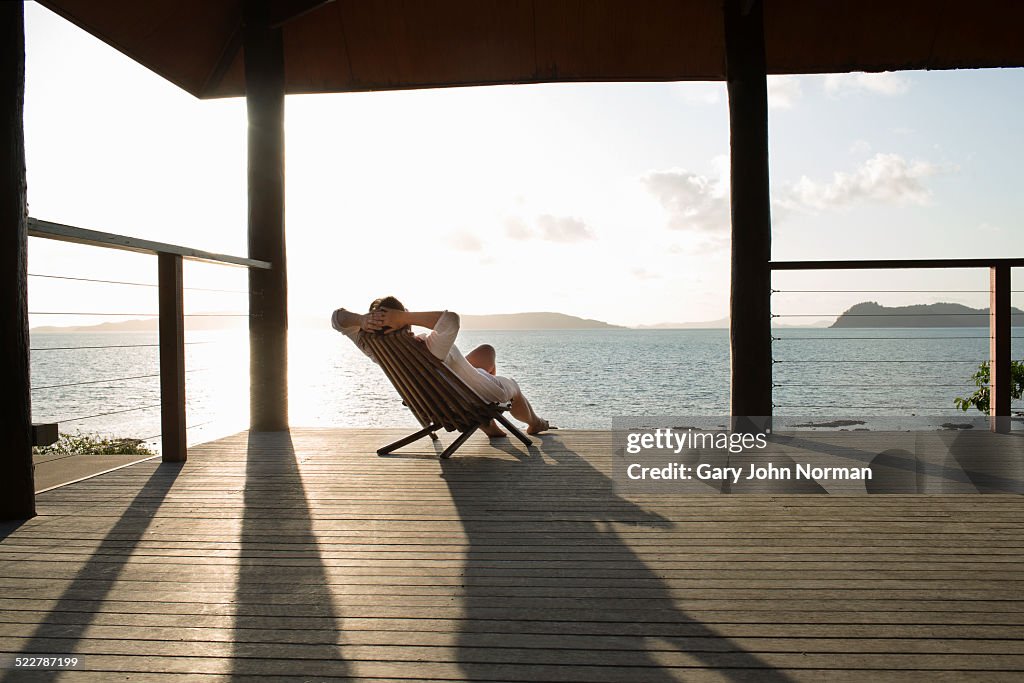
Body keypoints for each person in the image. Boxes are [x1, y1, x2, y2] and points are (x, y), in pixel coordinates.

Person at [331, 296, 552, 437]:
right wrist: (403, 317)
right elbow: (451, 320)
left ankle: (489, 424)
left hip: (444, 392)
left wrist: (361, 320)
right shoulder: (429, 347)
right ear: (401, 321)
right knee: (512, 387)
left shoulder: (372, 347)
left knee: (486, 351)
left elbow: (337, 319)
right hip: (470, 398)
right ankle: (534, 423)